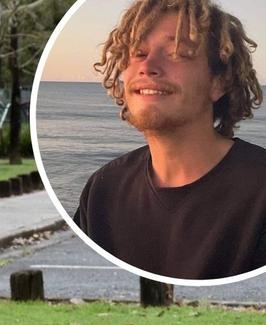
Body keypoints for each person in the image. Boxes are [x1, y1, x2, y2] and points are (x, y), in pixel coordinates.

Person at [73, 0, 266, 279]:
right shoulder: (103, 190)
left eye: (178, 53)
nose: (148, 66)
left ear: (219, 82)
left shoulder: (259, 193)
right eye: (138, 53)